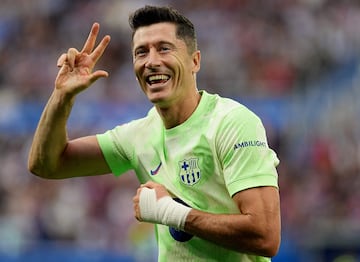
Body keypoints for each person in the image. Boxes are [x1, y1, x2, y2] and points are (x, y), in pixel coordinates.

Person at [28, 5, 281, 262]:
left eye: (164, 48)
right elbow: (46, 165)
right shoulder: (138, 136)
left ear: (195, 61)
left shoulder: (232, 123)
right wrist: (61, 97)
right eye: (141, 52)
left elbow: (265, 236)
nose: (151, 61)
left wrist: (172, 212)